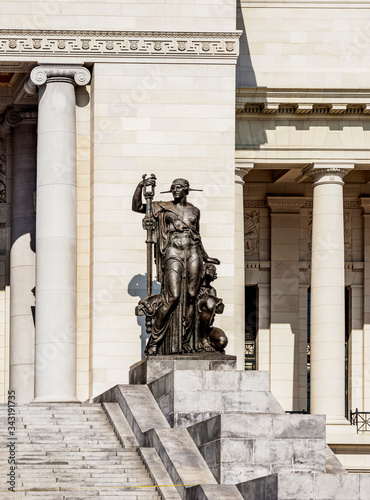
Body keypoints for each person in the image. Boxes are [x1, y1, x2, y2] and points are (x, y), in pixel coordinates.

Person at [132, 176, 220, 355]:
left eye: (179, 187)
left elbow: (197, 235)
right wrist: (141, 186)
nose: (175, 190)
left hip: (193, 251)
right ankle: (154, 342)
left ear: (186, 190)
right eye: (173, 188)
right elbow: (137, 206)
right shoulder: (163, 207)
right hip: (173, 251)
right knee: (173, 296)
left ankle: (185, 341)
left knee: (192, 295)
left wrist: (206, 256)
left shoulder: (195, 211)